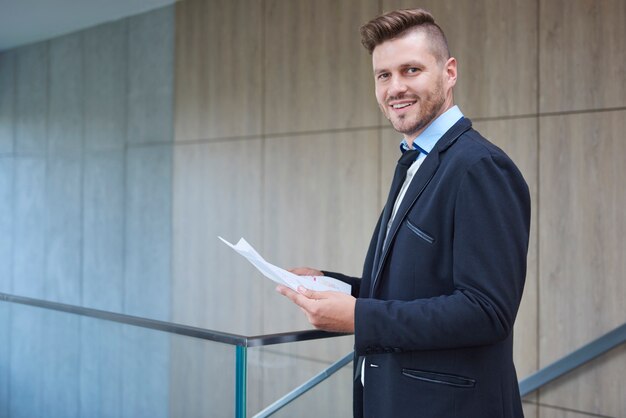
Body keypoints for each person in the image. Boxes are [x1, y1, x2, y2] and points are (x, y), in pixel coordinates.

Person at [276, 8, 530, 418]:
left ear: (449, 73)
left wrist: (360, 316)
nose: (395, 87)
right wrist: (341, 288)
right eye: (383, 75)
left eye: (411, 70)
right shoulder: (417, 161)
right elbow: (421, 286)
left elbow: (487, 311)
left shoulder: (480, 167)